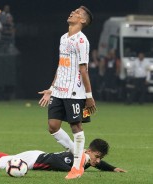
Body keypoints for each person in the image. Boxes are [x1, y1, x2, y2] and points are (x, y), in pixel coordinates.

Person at [38, 6, 96, 179]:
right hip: (59, 91)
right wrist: (51, 88)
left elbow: (84, 70)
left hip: (74, 92)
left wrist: (89, 96)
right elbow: (61, 66)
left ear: (83, 20)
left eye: (77, 13)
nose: (72, 13)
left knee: (76, 127)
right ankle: (81, 156)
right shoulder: (64, 38)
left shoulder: (81, 41)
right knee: (53, 126)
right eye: (73, 11)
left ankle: (77, 167)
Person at [0, 139, 127, 173]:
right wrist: (74, 169)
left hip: (36, 155)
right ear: (89, 151)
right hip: (34, 160)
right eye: (97, 157)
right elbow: (57, 161)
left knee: (6, 158)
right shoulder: (80, 159)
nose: (98, 161)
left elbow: (99, 164)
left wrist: (112, 168)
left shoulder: (85, 158)